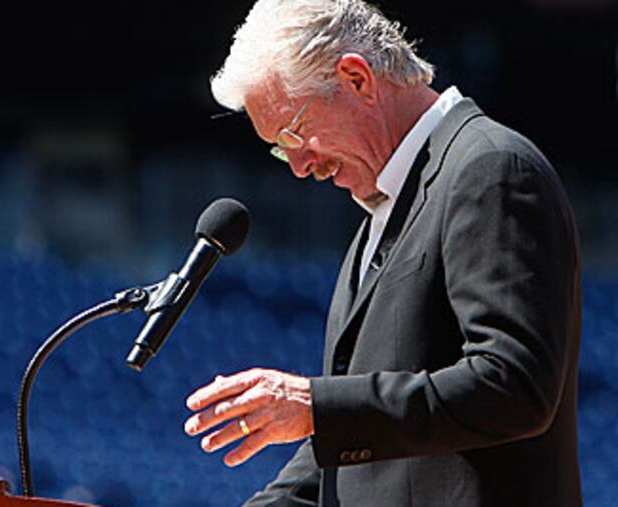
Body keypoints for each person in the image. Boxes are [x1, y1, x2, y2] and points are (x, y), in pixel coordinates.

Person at [183, 1, 583, 505]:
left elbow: (513, 385)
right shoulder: (384, 210)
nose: (299, 167)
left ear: (357, 79)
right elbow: (351, 449)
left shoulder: (490, 167)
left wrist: (316, 405)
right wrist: (319, 417)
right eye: (280, 150)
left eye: (293, 135)